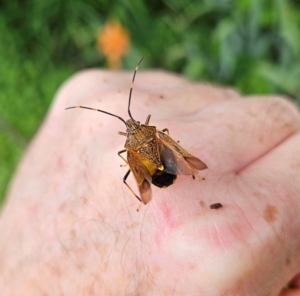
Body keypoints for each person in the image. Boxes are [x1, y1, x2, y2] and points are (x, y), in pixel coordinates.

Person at [0, 67, 299, 296]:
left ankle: (166, 183)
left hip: (152, 177)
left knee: (130, 174)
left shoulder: (128, 149)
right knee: (175, 149)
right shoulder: (152, 132)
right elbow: (166, 142)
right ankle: (190, 169)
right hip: (166, 164)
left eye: (133, 124)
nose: (133, 125)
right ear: (140, 128)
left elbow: (130, 158)